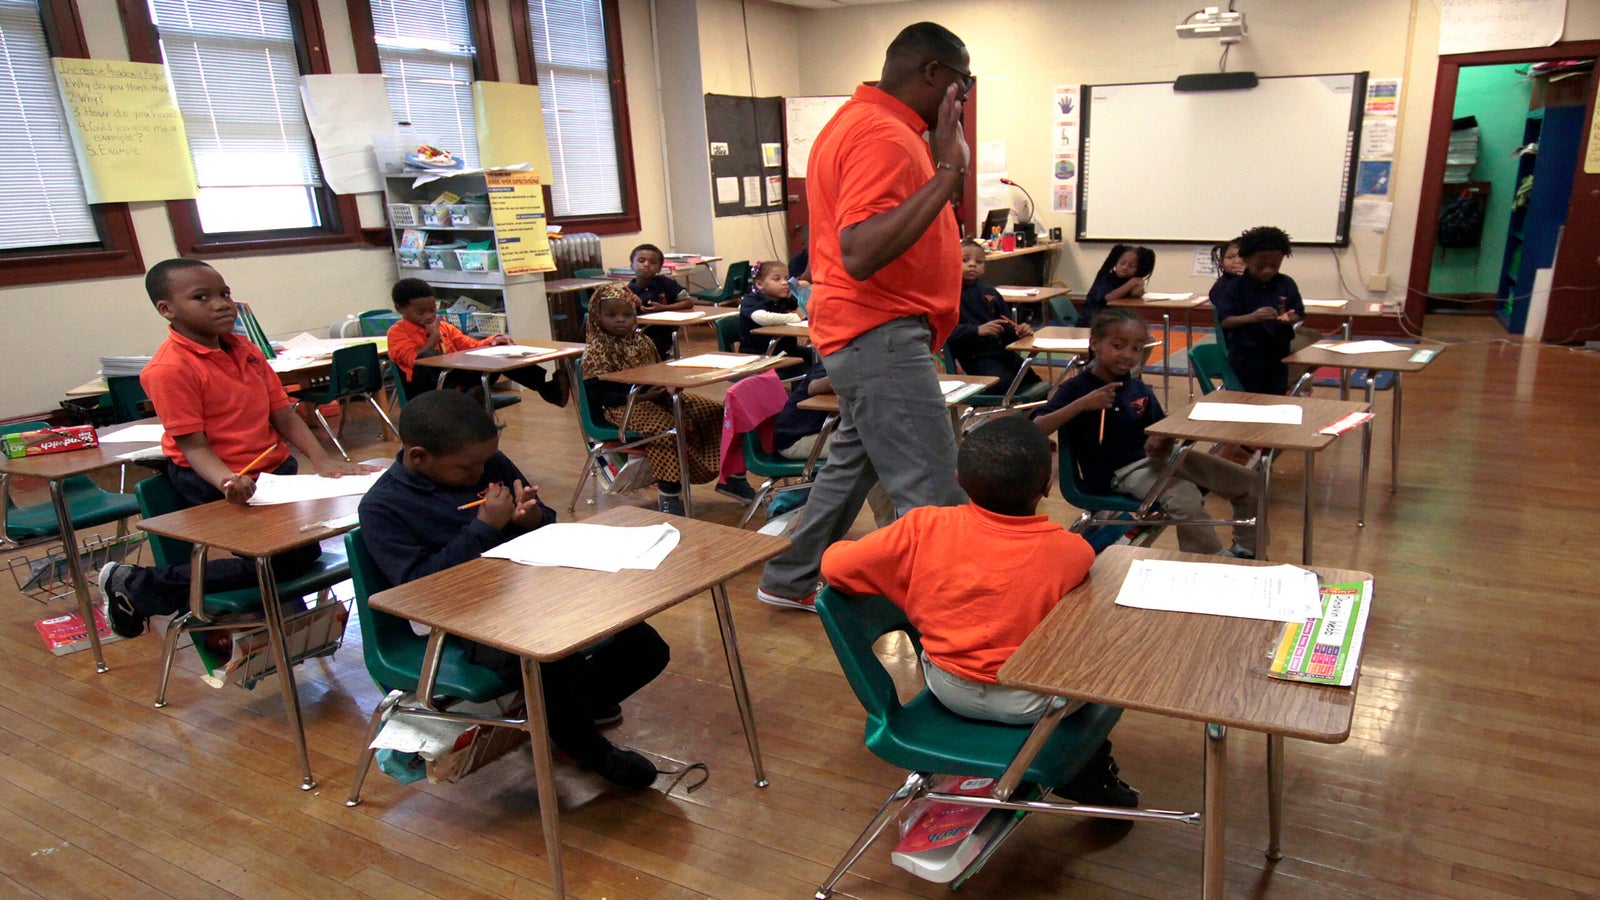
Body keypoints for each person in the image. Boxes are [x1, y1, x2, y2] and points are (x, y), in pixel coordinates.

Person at [756, 22, 972, 610]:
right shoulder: (883, 134)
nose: (963, 97)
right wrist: (949, 170)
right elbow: (860, 250)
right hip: (879, 333)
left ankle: (788, 577)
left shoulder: (863, 123)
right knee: (933, 492)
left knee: (849, 468)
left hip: (863, 332)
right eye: (962, 82)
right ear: (932, 73)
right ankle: (961, 632)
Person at [819, 417, 1138, 807]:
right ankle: (1090, 772)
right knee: (1106, 656)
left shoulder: (923, 526)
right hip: (1033, 705)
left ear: (958, 477)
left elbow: (836, 568)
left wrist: (903, 583)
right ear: (1047, 487)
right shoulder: (1071, 551)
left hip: (947, 687)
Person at [357, 389, 668, 789]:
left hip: (532, 587)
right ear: (419, 457)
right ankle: (581, 742)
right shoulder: (384, 506)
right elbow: (420, 587)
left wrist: (532, 517)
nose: (480, 474)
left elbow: (544, 522)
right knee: (554, 659)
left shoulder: (486, 463)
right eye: (467, 468)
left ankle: (559, 716)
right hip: (467, 617)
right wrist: (483, 527)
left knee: (644, 646)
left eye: (485, 462)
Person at [98, 259, 376, 638]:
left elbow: (284, 415)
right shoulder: (169, 369)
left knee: (304, 553)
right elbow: (194, 447)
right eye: (202, 297)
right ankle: (138, 585)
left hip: (274, 472)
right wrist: (228, 480)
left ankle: (152, 588)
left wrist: (323, 459)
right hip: (215, 477)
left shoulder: (244, 348)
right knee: (275, 564)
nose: (222, 304)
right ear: (167, 309)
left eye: (224, 293)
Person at [1035, 309, 1258, 558]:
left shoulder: (1137, 386)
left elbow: (1159, 429)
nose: (1128, 355)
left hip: (1159, 459)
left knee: (1247, 481)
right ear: (1095, 344)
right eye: (1118, 346)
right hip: (1118, 472)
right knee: (1185, 496)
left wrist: (1170, 436)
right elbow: (1037, 428)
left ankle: (1248, 550)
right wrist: (1081, 405)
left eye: (1137, 349)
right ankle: (1210, 559)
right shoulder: (1076, 388)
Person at [580, 283, 755, 516]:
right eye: (611, 315)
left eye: (627, 314)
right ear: (597, 317)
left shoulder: (644, 342)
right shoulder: (596, 351)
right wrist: (642, 396)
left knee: (717, 411)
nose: (620, 320)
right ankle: (669, 495)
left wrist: (665, 385)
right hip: (621, 406)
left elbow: (658, 372)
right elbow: (598, 395)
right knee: (666, 429)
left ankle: (732, 477)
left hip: (655, 396)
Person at [385, 278, 568, 406]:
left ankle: (546, 388)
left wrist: (494, 340)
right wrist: (433, 338)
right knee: (429, 356)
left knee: (500, 355)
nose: (429, 316)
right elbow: (415, 361)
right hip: (426, 389)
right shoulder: (397, 333)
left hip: (457, 377)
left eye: (432, 310)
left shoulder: (444, 326)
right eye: (421, 312)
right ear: (399, 309)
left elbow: (470, 345)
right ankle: (464, 395)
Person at [1211, 226, 1322, 394]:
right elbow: (1226, 321)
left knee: (1275, 397)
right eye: (1261, 266)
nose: (1268, 270)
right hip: (1246, 355)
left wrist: (1290, 317)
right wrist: (1253, 317)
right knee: (1248, 399)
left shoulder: (1285, 283)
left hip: (1278, 352)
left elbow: (1298, 313)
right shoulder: (1234, 287)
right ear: (1247, 260)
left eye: (1274, 266)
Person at [948, 240, 1040, 388]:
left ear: (984, 268)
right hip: (975, 357)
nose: (972, 264)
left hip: (1002, 353)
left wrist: (1020, 331)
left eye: (978, 262)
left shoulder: (989, 292)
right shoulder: (948, 295)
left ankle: (1036, 412)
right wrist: (976, 330)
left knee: (1034, 382)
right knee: (1006, 384)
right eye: (964, 260)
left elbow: (1006, 324)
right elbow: (945, 331)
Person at [625, 243, 694, 360]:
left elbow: (688, 302)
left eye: (652, 262)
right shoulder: (627, 291)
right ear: (632, 265)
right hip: (637, 341)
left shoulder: (666, 283)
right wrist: (630, 305)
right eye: (641, 261)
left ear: (659, 268)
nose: (646, 265)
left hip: (663, 336)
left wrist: (663, 308)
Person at [737, 261, 805, 357]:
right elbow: (762, 318)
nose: (784, 283)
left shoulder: (784, 299)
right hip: (758, 353)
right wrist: (795, 317)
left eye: (787, 278)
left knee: (819, 359)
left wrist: (802, 291)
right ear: (759, 284)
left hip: (785, 350)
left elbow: (806, 310)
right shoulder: (751, 300)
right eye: (777, 279)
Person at [1077, 244, 1151, 326]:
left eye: (1132, 266)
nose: (1125, 267)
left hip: (1115, 321)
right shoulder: (1106, 276)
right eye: (1122, 263)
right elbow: (1108, 298)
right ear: (1116, 262)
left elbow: (1135, 294)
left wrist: (1138, 286)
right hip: (1092, 322)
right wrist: (1131, 283)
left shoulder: (1130, 279)